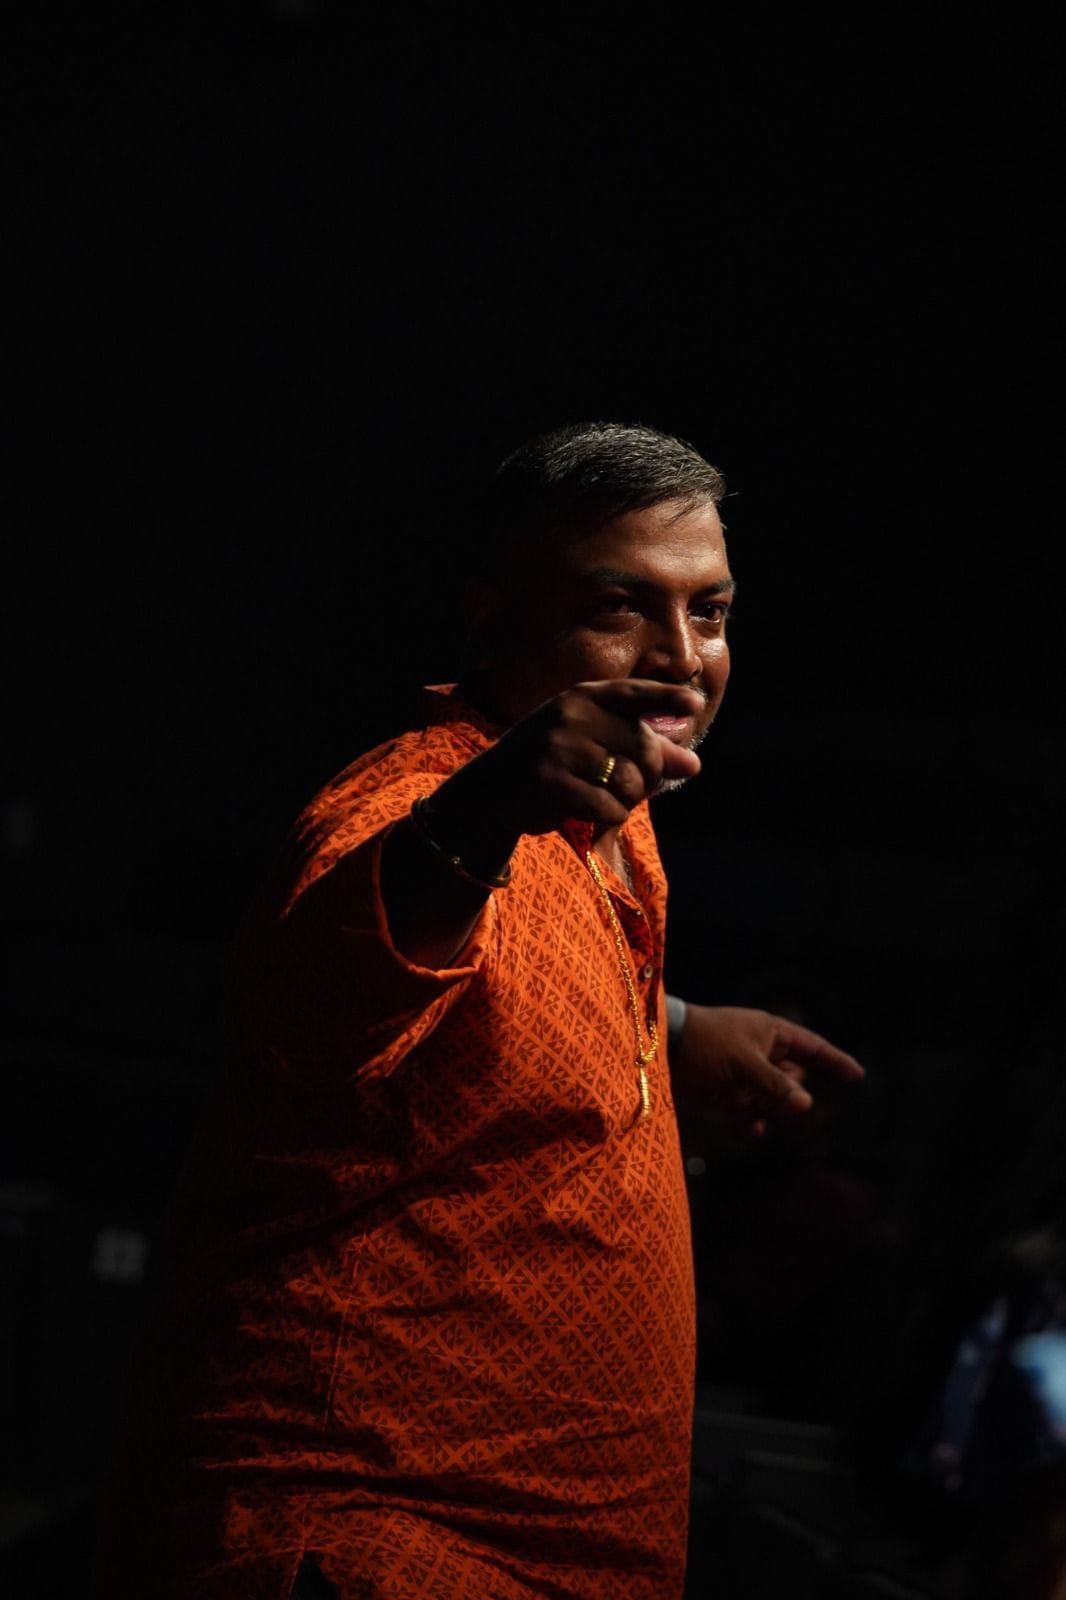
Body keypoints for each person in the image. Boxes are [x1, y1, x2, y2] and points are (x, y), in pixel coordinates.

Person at [98, 422, 864, 1599]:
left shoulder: (615, 820)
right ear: (493, 616)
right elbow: (313, 1002)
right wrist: (484, 802)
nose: (679, 655)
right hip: (369, 1542)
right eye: (619, 608)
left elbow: (497, 973)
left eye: (707, 612)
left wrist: (674, 1026)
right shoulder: (409, 799)